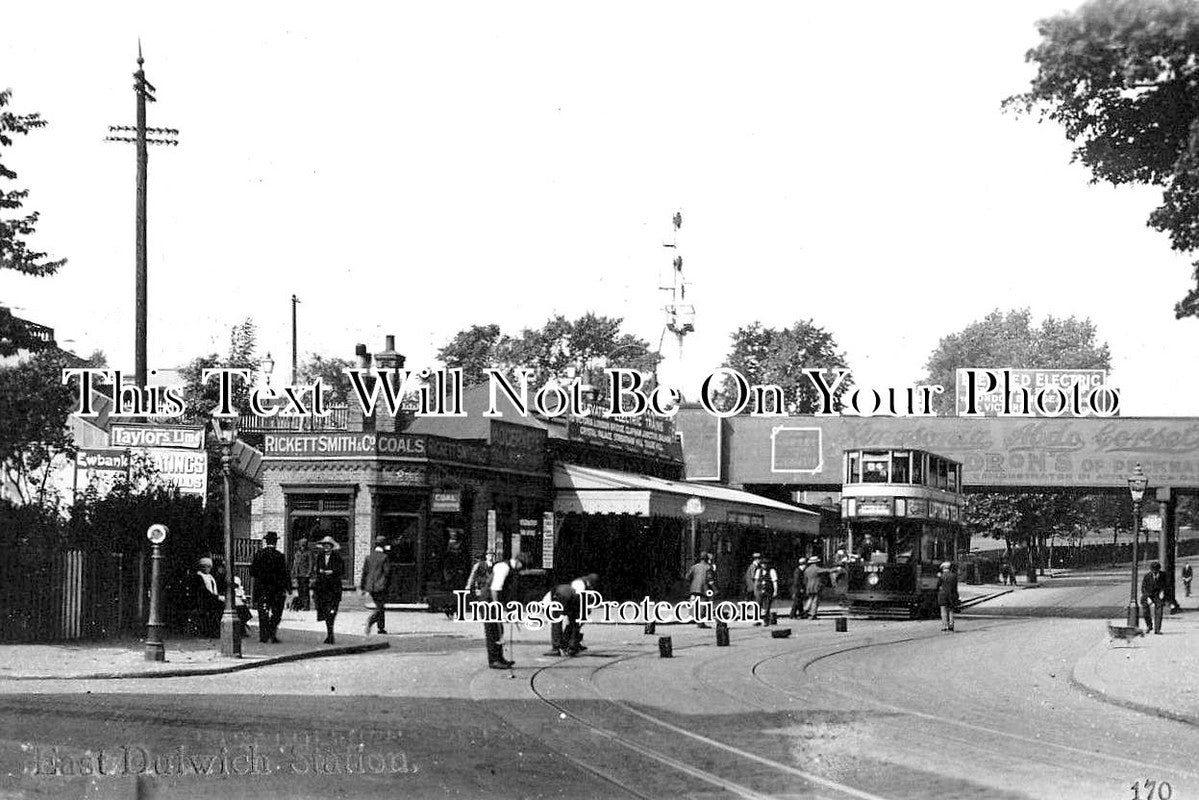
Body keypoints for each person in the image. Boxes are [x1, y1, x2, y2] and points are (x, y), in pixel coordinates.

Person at [250, 531, 291, 644]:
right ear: (276, 542)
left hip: (262, 589)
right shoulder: (280, 556)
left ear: (266, 541)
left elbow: (252, 571)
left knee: (263, 612)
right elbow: (285, 574)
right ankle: (272, 634)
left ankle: (263, 636)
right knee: (276, 613)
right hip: (276, 590)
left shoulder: (259, 554)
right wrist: (288, 588)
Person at [544, 573, 598, 657]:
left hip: (564, 597)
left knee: (560, 622)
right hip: (564, 597)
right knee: (572, 621)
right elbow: (579, 597)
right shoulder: (579, 583)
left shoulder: (579, 583)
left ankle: (560, 647)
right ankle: (570, 645)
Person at [485, 554, 524, 669]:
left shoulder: (510, 569)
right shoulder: (504, 567)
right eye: (521, 566)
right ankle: (494, 660)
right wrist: (497, 607)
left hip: (494, 600)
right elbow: (494, 589)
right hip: (489, 600)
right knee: (493, 630)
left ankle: (499, 658)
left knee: (499, 630)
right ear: (517, 562)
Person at [312, 536, 346, 644]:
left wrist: (333, 572)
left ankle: (330, 634)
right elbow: (317, 569)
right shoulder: (320, 556)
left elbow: (341, 570)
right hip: (323, 588)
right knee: (326, 612)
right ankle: (329, 634)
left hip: (333, 588)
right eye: (324, 545)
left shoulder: (337, 557)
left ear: (331, 546)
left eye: (328, 545)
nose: (326, 547)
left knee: (332, 611)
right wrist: (320, 571)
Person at [360, 536, 393, 635]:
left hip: (370, 586)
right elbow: (387, 572)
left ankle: (381, 628)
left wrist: (363, 587)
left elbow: (364, 572)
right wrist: (388, 585)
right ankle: (371, 620)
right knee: (380, 607)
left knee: (380, 606)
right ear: (383, 546)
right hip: (381, 585)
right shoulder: (384, 557)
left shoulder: (369, 557)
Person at [192, 557, 224, 638]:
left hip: (212, 599)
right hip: (203, 601)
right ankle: (212, 631)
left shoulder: (210, 577)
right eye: (205, 566)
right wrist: (216, 597)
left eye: (209, 567)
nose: (207, 568)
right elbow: (203, 591)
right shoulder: (199, 577)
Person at [686, 552, 716, 628]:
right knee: (704, 605)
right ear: (707, 559)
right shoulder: (708, 567)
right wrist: (715, 589)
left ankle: (696, 618)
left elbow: (687, 577)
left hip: (694, 588)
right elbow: (710, 580)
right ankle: (701, 622)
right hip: (704, 589)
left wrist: (692, 583)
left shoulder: (694, 567)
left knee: (695, 603)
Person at [803, 556, 835, 620]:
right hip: (816, 587)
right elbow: (826, 570)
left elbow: (805, 580)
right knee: (815, 600)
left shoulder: (807, 570)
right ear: (816, 562)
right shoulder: (817, 569)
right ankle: (813, 614)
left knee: (810, 599)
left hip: (809, 587)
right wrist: (835, 569)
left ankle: (805, 611)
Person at [1141, 560, 1168, 635]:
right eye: (1153, 571)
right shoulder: (1147, 576)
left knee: (1159, 610)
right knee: (1145, 610)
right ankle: (1149, 626)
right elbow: (1143, 588)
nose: (1154, 573)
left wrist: (1163, 592)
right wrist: (1147, 597)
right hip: (1148, 595)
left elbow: (1166, 586)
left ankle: (1157, 629)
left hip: (1158, 595)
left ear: (1159, 570)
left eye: (1156, 571)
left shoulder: (1163, 575)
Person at [752, 557, 779, 626]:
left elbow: (774, 582)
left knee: (767, 606)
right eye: (763, 564)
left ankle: (766, 620)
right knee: (758, 605)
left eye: (765, 564)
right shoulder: (758, 571)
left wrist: (775, 591)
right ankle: (757, 620)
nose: (764, 565)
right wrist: (755, 590)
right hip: (760, 590)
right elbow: (756, 581)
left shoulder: (771, 571)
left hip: (768, 590)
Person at [291, 537, 314, 611]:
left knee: (305, 590)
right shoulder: (297, 552)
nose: (302, 545)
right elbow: (295, 562)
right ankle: (301, 605)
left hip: (305, 574)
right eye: (301, 544)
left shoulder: (309, 552)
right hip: (298, 574)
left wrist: (309, 573)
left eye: (304, 544)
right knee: (300, 590)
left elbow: (311, 563)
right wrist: (293, 571)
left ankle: (306, 606)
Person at [937, 561, 959, 632]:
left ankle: (945, 626)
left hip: (943, 595)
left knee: (943, 611)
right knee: (951, 610)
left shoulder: (941, 576)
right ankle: (951, 625)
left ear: (943, 568)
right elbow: (955, 587)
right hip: (951, 595)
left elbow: (938, 585)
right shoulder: (954, 576)